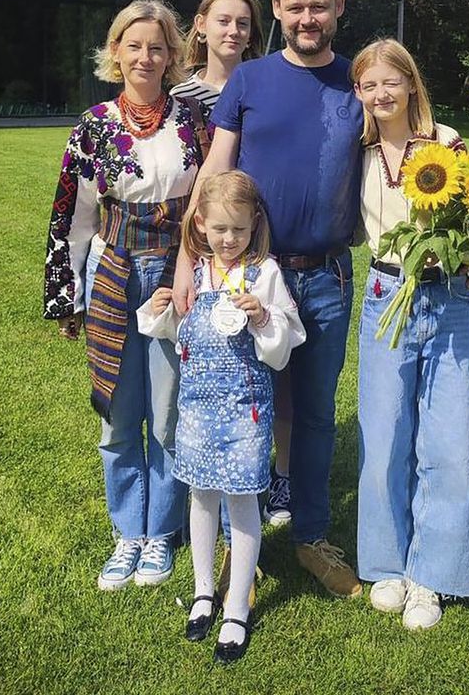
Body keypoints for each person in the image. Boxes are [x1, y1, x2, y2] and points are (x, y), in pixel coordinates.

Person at [173, 0, 364, 599]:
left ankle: (311, 536)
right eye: (294, 5)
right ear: (277, 10)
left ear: (337, 8)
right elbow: (212, 179)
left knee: (313, 415)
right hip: (247, 276)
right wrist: (187, 259)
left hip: (328, 279)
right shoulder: (249, 82)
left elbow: (404, 134)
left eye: (319, 5)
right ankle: (237, 551)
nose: (306, 16)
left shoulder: (355, 81)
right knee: (239, 409)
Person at [43, 0, 210, 592]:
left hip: (173, 274)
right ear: (116, 51)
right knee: (117, 411)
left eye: (157, 47)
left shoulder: (193, 124)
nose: (146, 56)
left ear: (172, 56)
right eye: (134, 45)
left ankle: (161, 532)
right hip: (112, 272)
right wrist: (68, 295)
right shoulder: (94, 126)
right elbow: (74, 215)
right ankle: (127, 533)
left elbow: (207, 207)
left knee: (166, 413)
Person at [138, 171, 305, 663]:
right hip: (197, 412)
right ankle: (203, 591)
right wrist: (160, 309)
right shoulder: (197, 274)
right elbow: (175, 335)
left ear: (255, 225)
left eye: (238, 230)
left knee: (242, 503)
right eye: (218, 230)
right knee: (202, 499)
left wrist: (261, 318)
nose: (229, 240)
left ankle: (237, 605)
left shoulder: (266, 274)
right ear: (201, 228)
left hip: (244, 415)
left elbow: (281, 350)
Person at [351, 38, 469, 629]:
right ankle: (386, 564)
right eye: (368, 85)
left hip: (447, 298)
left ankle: (433, 574)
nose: (380, 94)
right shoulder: (358, 152)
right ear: (359, 93)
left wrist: (468, 254)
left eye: (390, 82)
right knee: (384, 435)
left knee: (447, 439)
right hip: (385, 296)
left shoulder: (447, 144)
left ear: (410, 84)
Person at [170, 0, 287, 600]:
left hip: (244, 241)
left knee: (258, 379)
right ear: (202, 25)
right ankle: (186, 514)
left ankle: (258, 494)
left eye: (244, 21)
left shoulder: (263, 82)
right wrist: (191, 250)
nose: (235, 31)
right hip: (202, 236)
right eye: (224, 20)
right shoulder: (181, 93)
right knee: (189, 383)